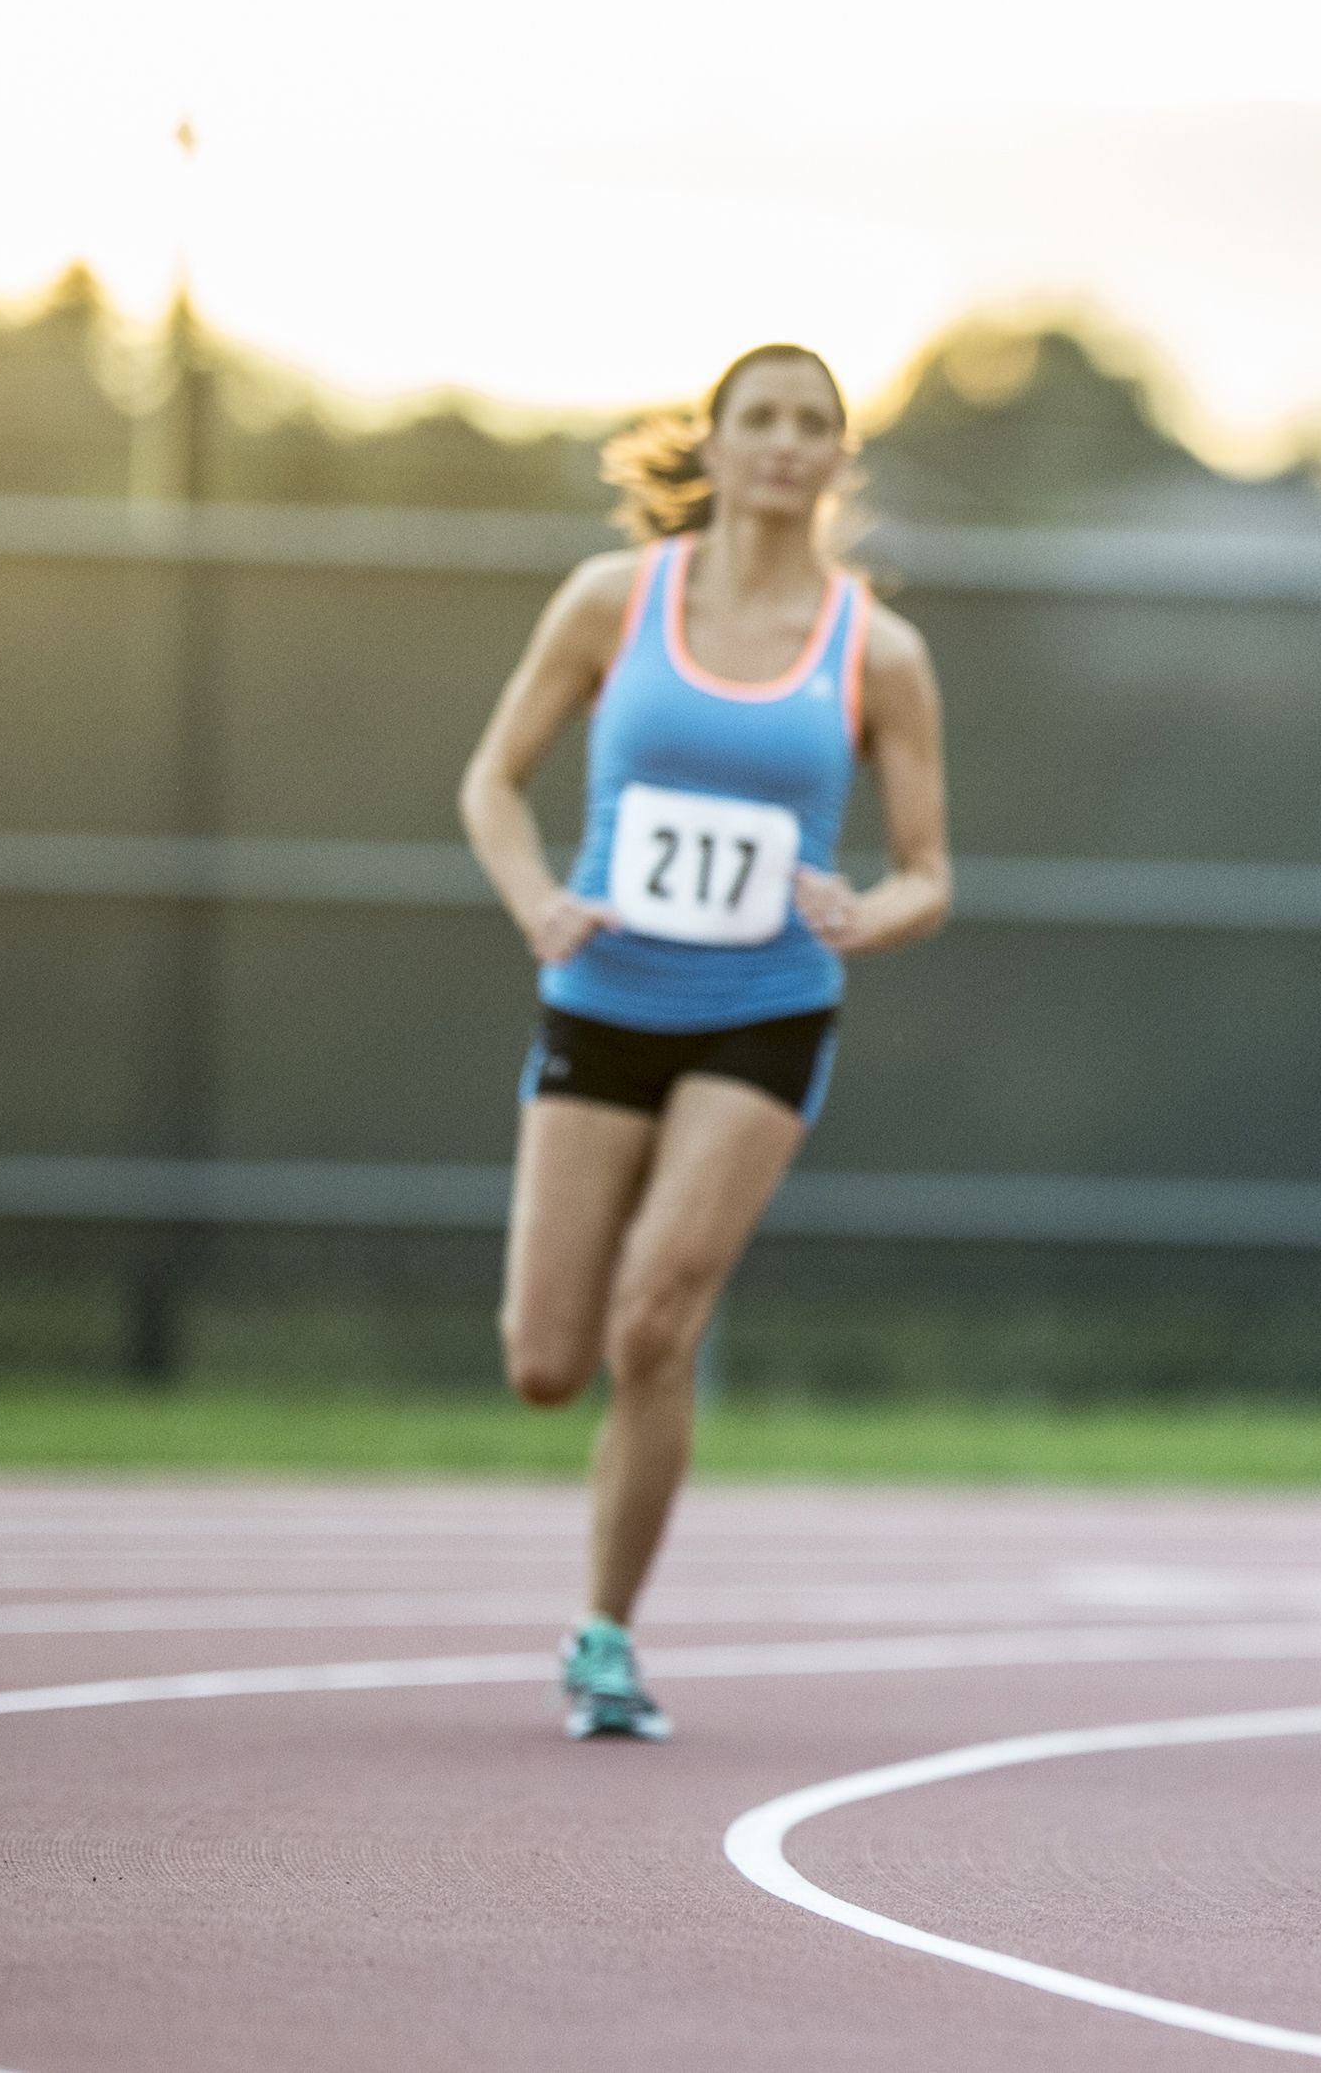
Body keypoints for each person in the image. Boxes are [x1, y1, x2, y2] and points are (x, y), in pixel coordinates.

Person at [458, 344, 951, 1740]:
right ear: (716, 443)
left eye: (813, 425)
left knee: (654, 1320)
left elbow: (929, 873)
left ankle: (604, 1635)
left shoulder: (879, 651)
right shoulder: (617, 600)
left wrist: (865, 913)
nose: (786, 445)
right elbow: (491, 782)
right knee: (547, 1361)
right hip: (603, 998)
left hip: (767, 1009)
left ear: (837, 459)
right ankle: (601, 1580)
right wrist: (538, 904)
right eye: (762, 420)